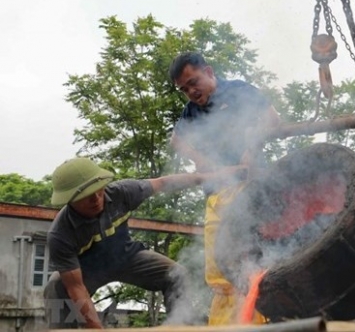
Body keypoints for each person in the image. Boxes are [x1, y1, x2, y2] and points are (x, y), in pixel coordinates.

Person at [44, 157, 228, 329]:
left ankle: (179, 327)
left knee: (177, 274)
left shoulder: (121, 193)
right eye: (86, 195)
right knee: (56, 285)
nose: (96, 198)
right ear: (70, 200)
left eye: (98, 190)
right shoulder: (61, 234)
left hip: (126, 257)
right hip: (87, 271)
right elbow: (76, 288)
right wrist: (96, 329)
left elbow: (163, 183)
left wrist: (208, 177)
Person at [168, 51, 280, 325]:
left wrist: (253, 148)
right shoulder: (191, 111)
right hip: (216, 193)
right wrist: (201, 160)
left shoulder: (238, 90)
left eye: (194, 82)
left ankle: (259, 323)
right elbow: (176, 140)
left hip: (249, 189)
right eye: (184, 89)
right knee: (218, 269)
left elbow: (273, 119)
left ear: (208, 71)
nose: (191, 91)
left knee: (249, 262)